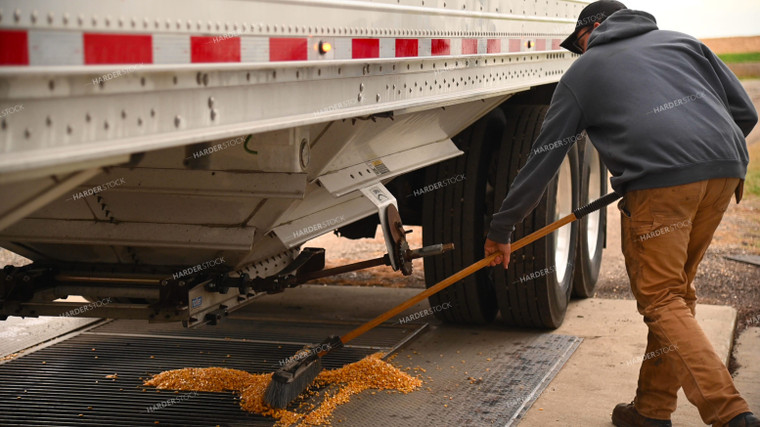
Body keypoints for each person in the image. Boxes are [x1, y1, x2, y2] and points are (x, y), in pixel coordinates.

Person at [483, 1, 758, 426]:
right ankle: (651, 410)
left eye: (579, 43)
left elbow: (543, 159)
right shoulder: (684, 44)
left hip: (662, 186)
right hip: (726, 174)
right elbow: (745, 113)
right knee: (675, 296)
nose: (580, 52)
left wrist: (502, 227)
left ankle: (731, 413)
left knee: (662, 298)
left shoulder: (583, 72)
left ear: (591, 29)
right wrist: (692, 157)